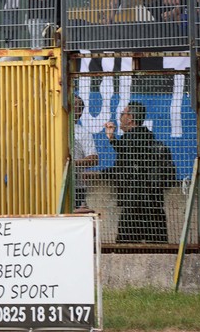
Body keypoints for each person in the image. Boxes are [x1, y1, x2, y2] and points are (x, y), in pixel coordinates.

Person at [104, 101, 172, 243]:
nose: (120, 117)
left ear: (130, 118)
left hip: (134, 204)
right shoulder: (149, 138)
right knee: (158, 246)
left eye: (123, 114)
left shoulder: (130, 139)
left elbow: (122, 158)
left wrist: (111, 138)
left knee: (126, 245)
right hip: (154, 204)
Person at [72, 96, 98, 211]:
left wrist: (71, 165)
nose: (74, 107)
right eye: (72, 104)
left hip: (76, 186)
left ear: (80, 112)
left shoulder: (83, 133)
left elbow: (93, 158)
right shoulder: (50, 129)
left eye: (77, 106)